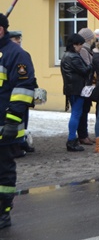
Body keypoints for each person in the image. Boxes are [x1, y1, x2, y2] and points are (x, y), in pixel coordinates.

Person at [0, 14, 36, 228]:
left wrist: (12, 121)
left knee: (3, 170)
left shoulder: (17, 55)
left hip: (5, 126)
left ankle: (3, 212)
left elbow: (23, 90)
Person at [61, 33, 93, 151]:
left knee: (76, 113)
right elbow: (84, 70)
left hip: (72, 88)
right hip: (77, 89)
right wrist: (92, 64)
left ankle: (72, 139)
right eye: (79, 45)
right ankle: (71, 139)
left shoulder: (66, 56)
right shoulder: (73, 57)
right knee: (76, 114)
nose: (81, 47)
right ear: (74, 45)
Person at [76, 27, 96, 146]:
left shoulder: (87, 50)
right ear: (88, 39)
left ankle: (85, 134)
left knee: (85, 110)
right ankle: (83, 135)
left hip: (87, 85)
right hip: (85, 85)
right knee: (82, 111)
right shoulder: (84, 51)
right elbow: (88, 66)